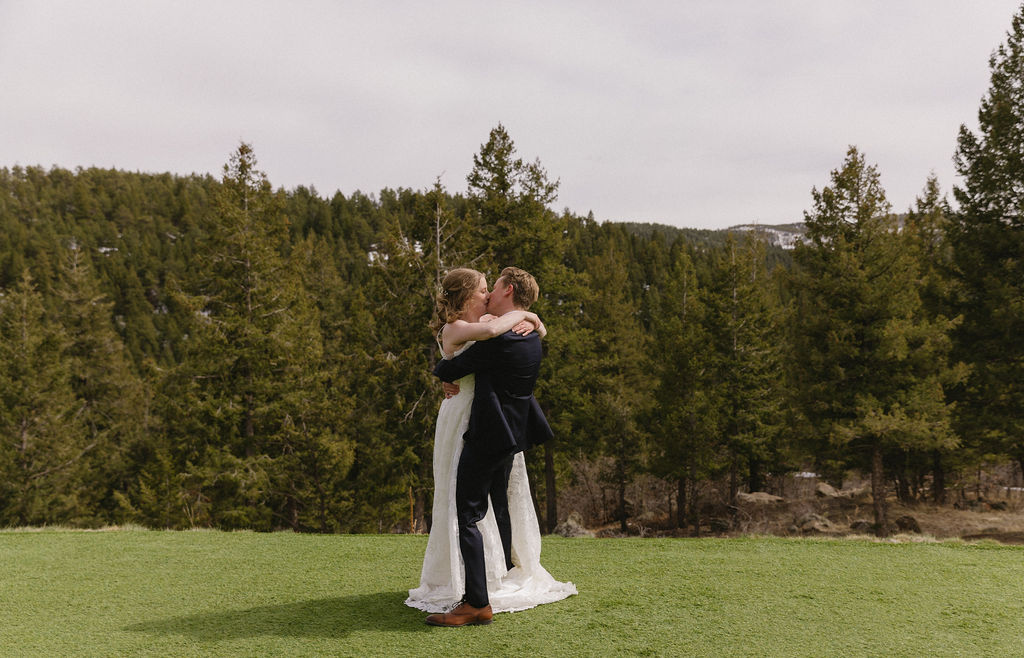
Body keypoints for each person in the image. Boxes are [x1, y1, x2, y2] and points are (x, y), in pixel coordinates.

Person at [413, 266, 576, 627]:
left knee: (470, 510)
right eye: (483, 288)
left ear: (507, 290)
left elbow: (451, 367)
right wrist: (530, 315)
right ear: (469, 295)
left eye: (493, 286)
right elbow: (459, 359)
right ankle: (491, 576)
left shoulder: (504, 334)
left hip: (486, 429)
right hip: (498, 428)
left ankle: (476, 600)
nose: (488, 293)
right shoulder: (520, 333)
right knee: (493, 504)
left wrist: (446, 372)